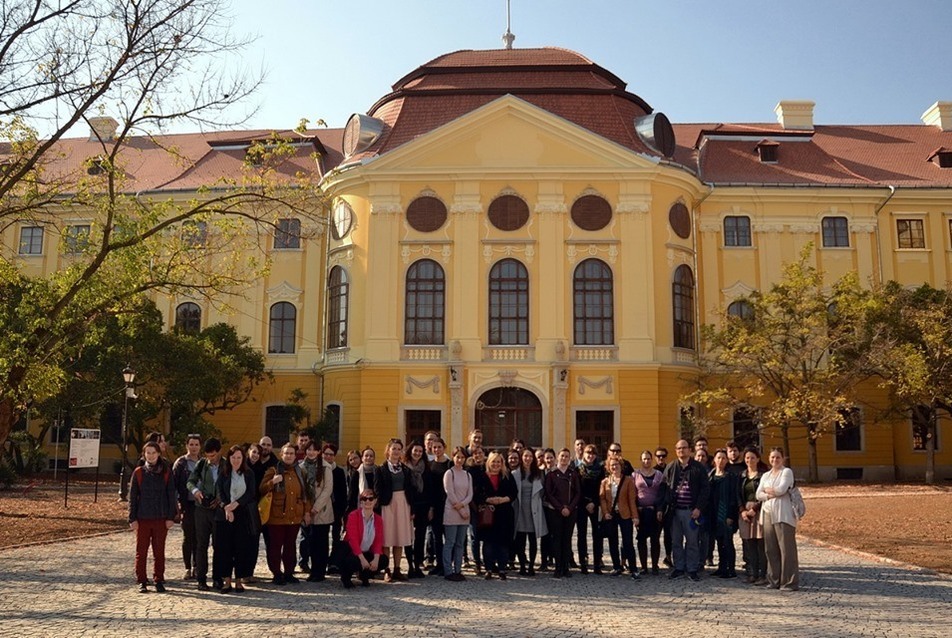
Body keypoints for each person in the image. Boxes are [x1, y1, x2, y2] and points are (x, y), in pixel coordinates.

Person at [260, 443, 312, 585]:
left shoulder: (300, 472)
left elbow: (306, 493)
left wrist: (306, 511)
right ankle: (276, 573)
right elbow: (261, 489)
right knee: (275, 546)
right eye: (286, 453)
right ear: (281, 455)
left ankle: (289, 573)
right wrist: (272, 482)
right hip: (276, 516)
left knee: (290, 546)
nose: (288, 456)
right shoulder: (273, 470)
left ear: (295, 456)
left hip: (294, 516)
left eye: (291, 453)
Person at [129, 441, 177, 593]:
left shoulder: (166, 472)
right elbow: (133, 497)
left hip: (160, 517)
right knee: (141, 551)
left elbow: (171, 495)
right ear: (144, 455)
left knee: (159, 551)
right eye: (148, 453)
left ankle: (159, 579)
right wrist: (132, 518)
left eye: (153, 453)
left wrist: (171, 517)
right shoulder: (138, 472)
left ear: (158, 454)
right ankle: (142, 580)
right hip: (142, 518)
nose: (150, 456)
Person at [663, 439, 710, 582]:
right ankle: (678, 567)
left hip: (691, 511)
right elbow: (664, 488)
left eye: (684, 448)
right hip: (675, 511)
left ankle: (692, 569)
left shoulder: (698, 468)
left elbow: (705, 489)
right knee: (676, 541)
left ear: (690, 450)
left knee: (692, 541)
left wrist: (699, 508)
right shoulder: (671, 467)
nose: (681, 451)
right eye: (678, 448)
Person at [213, 445, 258, 593]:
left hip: (242, 514)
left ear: (243, 458)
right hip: (224, 516)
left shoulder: (248, 473)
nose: (236, 460)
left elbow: (251, 492)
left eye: (239, 457)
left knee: (241, 548)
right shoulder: (224, 473)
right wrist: (226, 507)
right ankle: (227, 581)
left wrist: (235, 505)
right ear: (229, 458)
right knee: (224, 549)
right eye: (233, 457)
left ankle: (239, 580)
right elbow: (219, 492)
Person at [186, 437, 227, 591]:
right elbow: (190, 481)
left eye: (213, 456)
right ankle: (201, 579)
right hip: (201, 509)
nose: (211, 459)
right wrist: (196, 491)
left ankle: (218, 578)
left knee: (219, 545)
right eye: (208, 456)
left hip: (219, 510)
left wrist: (220, 499)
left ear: (219, 452)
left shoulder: (226, 464)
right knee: (201, 545)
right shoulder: (201, 464)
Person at [757, 447, 800, 591]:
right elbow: (758, 494)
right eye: (772, 457)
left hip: (783, 514)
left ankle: (789, 582)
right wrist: (770, 493)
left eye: (777, 457)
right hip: (768, 513)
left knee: (786, 549)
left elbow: (782, 490)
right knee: (770, 548)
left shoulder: (786, 472)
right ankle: (773, 579)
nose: (775, 460)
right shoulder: (766, 475)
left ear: (783, 459)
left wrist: (767, 490)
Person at [374, 438, 414, 582]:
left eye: (399, 449)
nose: (396, 451)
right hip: (387, 505)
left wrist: (411, 508)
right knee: (387, 538)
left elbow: (410, 490)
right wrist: (379, 506)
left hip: (403, 503)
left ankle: (397, 568)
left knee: (399, 537)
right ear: (388, 451)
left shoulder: (406, 470)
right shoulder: (381, 469)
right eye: (394, 448)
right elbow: (377, 490)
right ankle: (387, 569)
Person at [473, 451, 517, 580]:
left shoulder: (507, 476)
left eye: (499, 461)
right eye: (494, 461)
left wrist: (503, 499)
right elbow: (476, 494)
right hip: (488, 514)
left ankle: (502, 568)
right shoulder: (482, 476)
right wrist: (488, 500)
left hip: (504, 513)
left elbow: (514, 493)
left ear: (502, 463)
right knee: (489, 542)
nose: (496, 464)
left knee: (503, 542)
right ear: (488, 462)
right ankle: (489, 568)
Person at [599, 456, 639, 579]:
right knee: (613, 541)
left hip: (625, 513)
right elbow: (603, 499)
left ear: (621, 466)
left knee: (628, 542)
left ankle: (633, 568)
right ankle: (616, 566)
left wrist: (635, 516)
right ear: (608, 467)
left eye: (617, 464)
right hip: (611, 514)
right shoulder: (605, 482)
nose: (614, 467)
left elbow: (632, 500)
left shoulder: (628, 481)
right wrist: (605, 512)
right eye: (612, 465)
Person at [544, 448, 580, 579]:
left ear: (570, 458)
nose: (564, 458)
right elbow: (549, 494)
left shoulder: (573, 474)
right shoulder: (551, 475)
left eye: (567, 456)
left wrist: (569, 508)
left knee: (567, 539)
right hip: (555, 511)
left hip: (570, 511)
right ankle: (558, 567)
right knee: (557, 539)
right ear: (558, 457)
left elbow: (578, 493)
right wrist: (560, 508)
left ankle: (566, 567)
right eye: (562, 456)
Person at [341, 489, 389, 588]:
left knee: (383, 560)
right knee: (352, 561)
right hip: (352, 551)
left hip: (367, 551)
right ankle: (346, 577)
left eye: (370, 499)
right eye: (364, 499)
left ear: (375, 501)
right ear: (361, 501)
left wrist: (376, 559)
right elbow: (352, 540)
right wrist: (362, 559)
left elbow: (378, 541)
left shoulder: (378, 519)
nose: (367, 501)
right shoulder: (353, 516)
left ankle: (365, 575)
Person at [301, 440, 334, 582]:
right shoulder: (301, 467)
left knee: (321, 542)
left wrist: (316, 508)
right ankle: (312, 570)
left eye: (314, 450)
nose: (311, 452)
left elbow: (327, 490)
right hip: (306, 510)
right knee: (310, 541)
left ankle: (320, 571)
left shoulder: (326, 467)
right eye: (309, 449)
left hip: (322, 510)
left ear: (319, 452)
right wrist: (307, 509)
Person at [512, 447, 547, 576]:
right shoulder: (515, 474)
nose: (528, 459)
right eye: (525, 456)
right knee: (520, 541)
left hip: (534, 510)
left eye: (530, 456)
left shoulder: (539, 474)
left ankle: (531, 566)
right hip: (520, 509)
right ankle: (522, 565)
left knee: (533, 540)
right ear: (521, 458)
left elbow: (543, 492)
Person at [172, 432, 201, 580]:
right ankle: (187, 567)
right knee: (187, 536)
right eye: (191, 444)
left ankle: (197, 566)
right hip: (187, 504)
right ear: (187, 445)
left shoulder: (204, 462)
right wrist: (176, 502)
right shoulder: (181, 463)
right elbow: (174, 484)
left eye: (196, 444)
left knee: (199, 537)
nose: (194, 447)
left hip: (201, 505)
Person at [442, 446, 473, 581]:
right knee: (450, 542)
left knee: (460, 543)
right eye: (457, 457)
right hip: (452, 511)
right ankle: (448, 571)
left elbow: (470, 494)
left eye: (462, 457)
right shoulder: (449, 473)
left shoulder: (467, 475)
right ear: (453, 457)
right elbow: (450, 493)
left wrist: (464, 506)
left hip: (465, 513)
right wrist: (460, 508)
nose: (459, 460)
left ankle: (458, 570)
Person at [709, 449, 740, 578]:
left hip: (726, 512)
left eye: (723, 458)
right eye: (718, 458)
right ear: (714, 460)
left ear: (726, 460)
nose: (721, 460)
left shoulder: (731, 477)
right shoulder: (710, 477)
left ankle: (731, 569)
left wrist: (731, 516)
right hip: (714, 513)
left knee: (728, 541)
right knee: (719, 541)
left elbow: (734, 497)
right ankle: (722, 567)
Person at [634, 449, 666, 575]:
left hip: (654, 511)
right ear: (641, 460)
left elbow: (662, 493)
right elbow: (633, 494)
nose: (646, 461)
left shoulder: (659, 474)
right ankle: (643, 566)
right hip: (641, 512)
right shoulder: (635, 475)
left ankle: (654, 565)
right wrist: (636, 509)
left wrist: (659, 509)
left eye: (648, 458)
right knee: (641, 539)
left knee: (655, 539)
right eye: (644, 459)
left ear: (651, 460)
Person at [739, 446, 767, 585]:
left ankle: (763, 574)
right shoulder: (742, 475)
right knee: (749, 544)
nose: (750, 460)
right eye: (747, 458)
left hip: (759, 511)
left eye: (752, 457)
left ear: (758, 459)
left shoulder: (763, 476)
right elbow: (737, 495)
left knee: (761, 544)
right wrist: (742, 510)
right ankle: (753, 573)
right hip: (745, 511)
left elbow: (764, 495)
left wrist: (754, 509)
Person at [575, 443, 605, 574]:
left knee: (597, 535)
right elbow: (577, 489)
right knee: (581, 535)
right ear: (584, 454)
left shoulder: (601, 470)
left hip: (596, 504)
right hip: (581, 505)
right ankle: (583, 563)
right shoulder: (578, 470)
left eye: (593, 453)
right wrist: (585, 503)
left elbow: (603, 488)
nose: (590, 456)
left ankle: (597, 563)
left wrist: (594, 502)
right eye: (588, 453)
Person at [405, 439, 432, 579]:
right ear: (410, 451)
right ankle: (409, 565)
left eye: (420, 451)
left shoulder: (426, 468)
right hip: (408, 505)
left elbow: (429, 489)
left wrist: (430, 508)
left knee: (420, 537)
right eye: (415, 450)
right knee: (408, 537)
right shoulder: (404, 468)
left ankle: (417, 564)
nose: (418, 453)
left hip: (423, 506)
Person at [427, 438, 452, 575]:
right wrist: (430, 507)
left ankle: (448, 564)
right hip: (435, 505)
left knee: (448, 537)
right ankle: (439, 564)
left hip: (448, 504)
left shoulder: (450, 464)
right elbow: (429, 488)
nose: (436, 450)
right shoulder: (429, 465)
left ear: (444, 447)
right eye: (434, 447)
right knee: (437, 536)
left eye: (439, 447)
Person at [323, 443, 348, 574]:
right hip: (322, 509)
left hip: (336, 509)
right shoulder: (320, 469)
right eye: (326, 454)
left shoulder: (338, 471)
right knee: (322, 537)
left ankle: (334, 562)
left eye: (331, 454)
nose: (328, 456)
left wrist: (342, 510)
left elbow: (343, 492)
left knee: (336, 537)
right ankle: (322, 561)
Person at [464, 445, 486, 574]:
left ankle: (489, 561)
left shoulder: (488, 468)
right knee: (474, 536)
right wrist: (474, 507)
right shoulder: (470, 470)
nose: (478, 455)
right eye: (475, 453)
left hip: (488, 506)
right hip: (473, 506)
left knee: (488, 536)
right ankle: (477, 562)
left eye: (480, 453)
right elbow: (468, 490)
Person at [653, 446, 673, 567]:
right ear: (655, 458)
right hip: (656, 507)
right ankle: (655, 561)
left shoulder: (670, 469)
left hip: (669, 507)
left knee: (669, 534)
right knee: (655, 535)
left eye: (663, 456)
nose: (661, 458)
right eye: (659, 456)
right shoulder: (653, 471)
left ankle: (669, 557)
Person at [348, 447, 377, 513]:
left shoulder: (379, 472)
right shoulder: (356, 473)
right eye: (366, 456)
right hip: (360, 506)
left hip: (376, 507)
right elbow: (352, 494)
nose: (368, 458)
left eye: (371, 456)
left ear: (374, 458)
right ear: (362, 458)